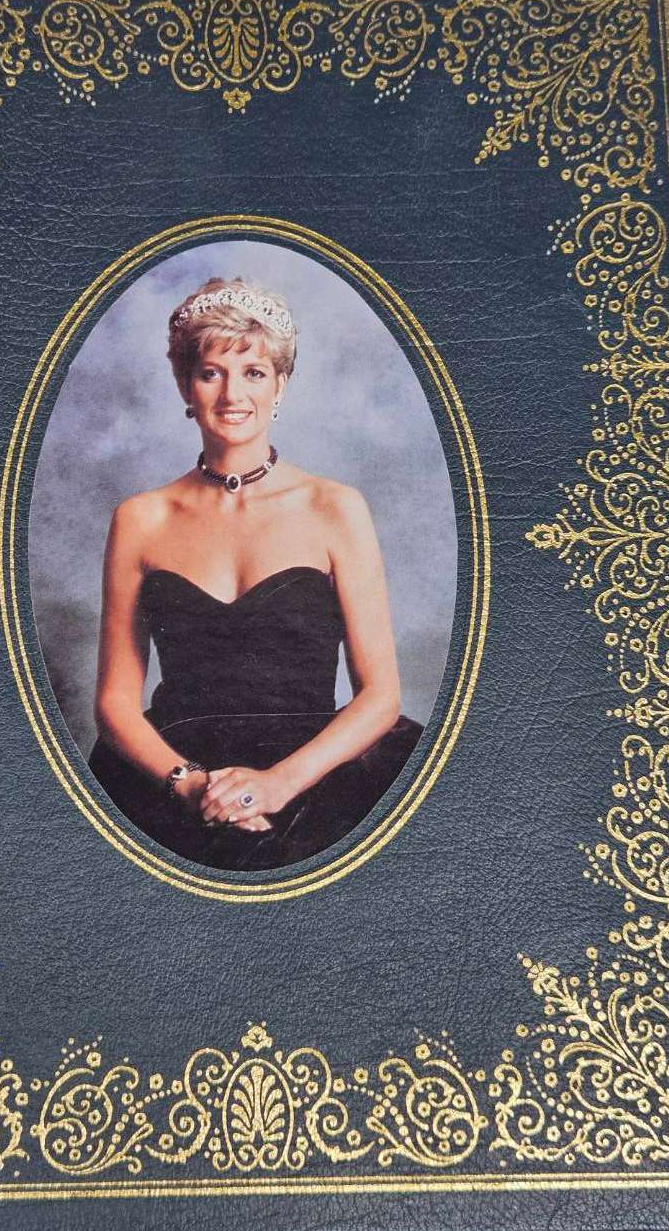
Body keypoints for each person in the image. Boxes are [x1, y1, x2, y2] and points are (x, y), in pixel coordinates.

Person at [87, 275, 422, 870]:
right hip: (174, 774)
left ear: (280, 384)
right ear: (184, 385)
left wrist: (275, 786)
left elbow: (381, 697)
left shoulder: (335, 508)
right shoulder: (140, 519)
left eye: (254, 372)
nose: (232, 395)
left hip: (316, 777)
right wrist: (192, 785)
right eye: (211, 373)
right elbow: (114, 702)